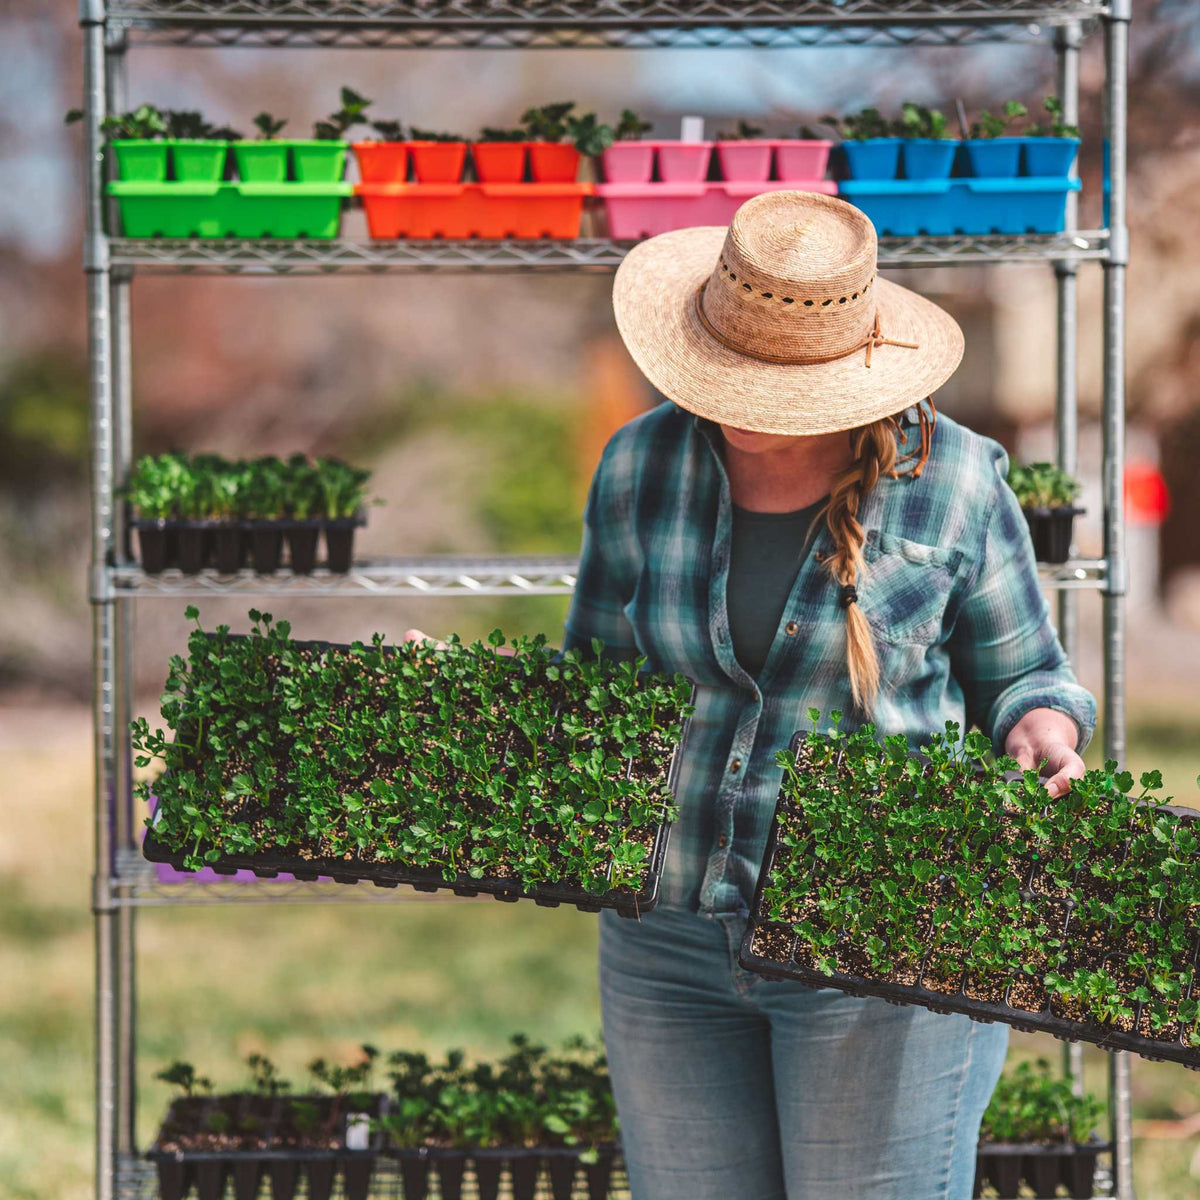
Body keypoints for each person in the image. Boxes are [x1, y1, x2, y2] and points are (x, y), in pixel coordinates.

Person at [410, 190, 1094, 1200]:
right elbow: (598, 700)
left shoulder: (951, 478)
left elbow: (1025, 674)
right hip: (667, 940)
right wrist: (469, 709)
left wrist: (1042, 730)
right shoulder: (640, 466)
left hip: (881, 944)